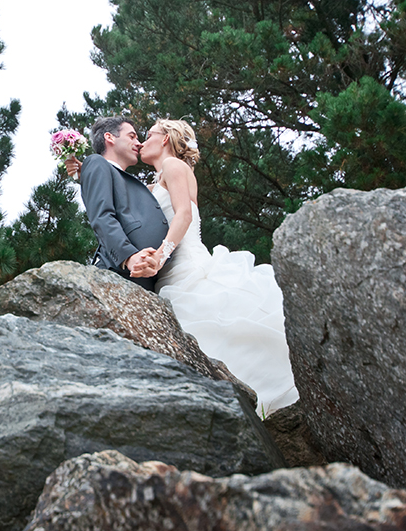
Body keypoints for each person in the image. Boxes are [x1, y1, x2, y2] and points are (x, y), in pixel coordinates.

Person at [68, 119, 298, 416]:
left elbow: (184, 216)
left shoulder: (176, 167)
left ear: (165, 140)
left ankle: (255, 401)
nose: (140, 142)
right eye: (136, 136)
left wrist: (160, 257)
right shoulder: (150, 183)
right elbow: (117, 198)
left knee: (218, 330)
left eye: (146, 135)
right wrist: (83, 171)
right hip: (162, 278)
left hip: (185, 265)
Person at [77, 116, 171, 291]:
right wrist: (129, 257)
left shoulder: (126, 180)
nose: (139, 143)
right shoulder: (96, 162)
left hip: (147, 278)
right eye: (132, 136)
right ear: (110, 137)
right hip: (118, 273)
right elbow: (102, 217)